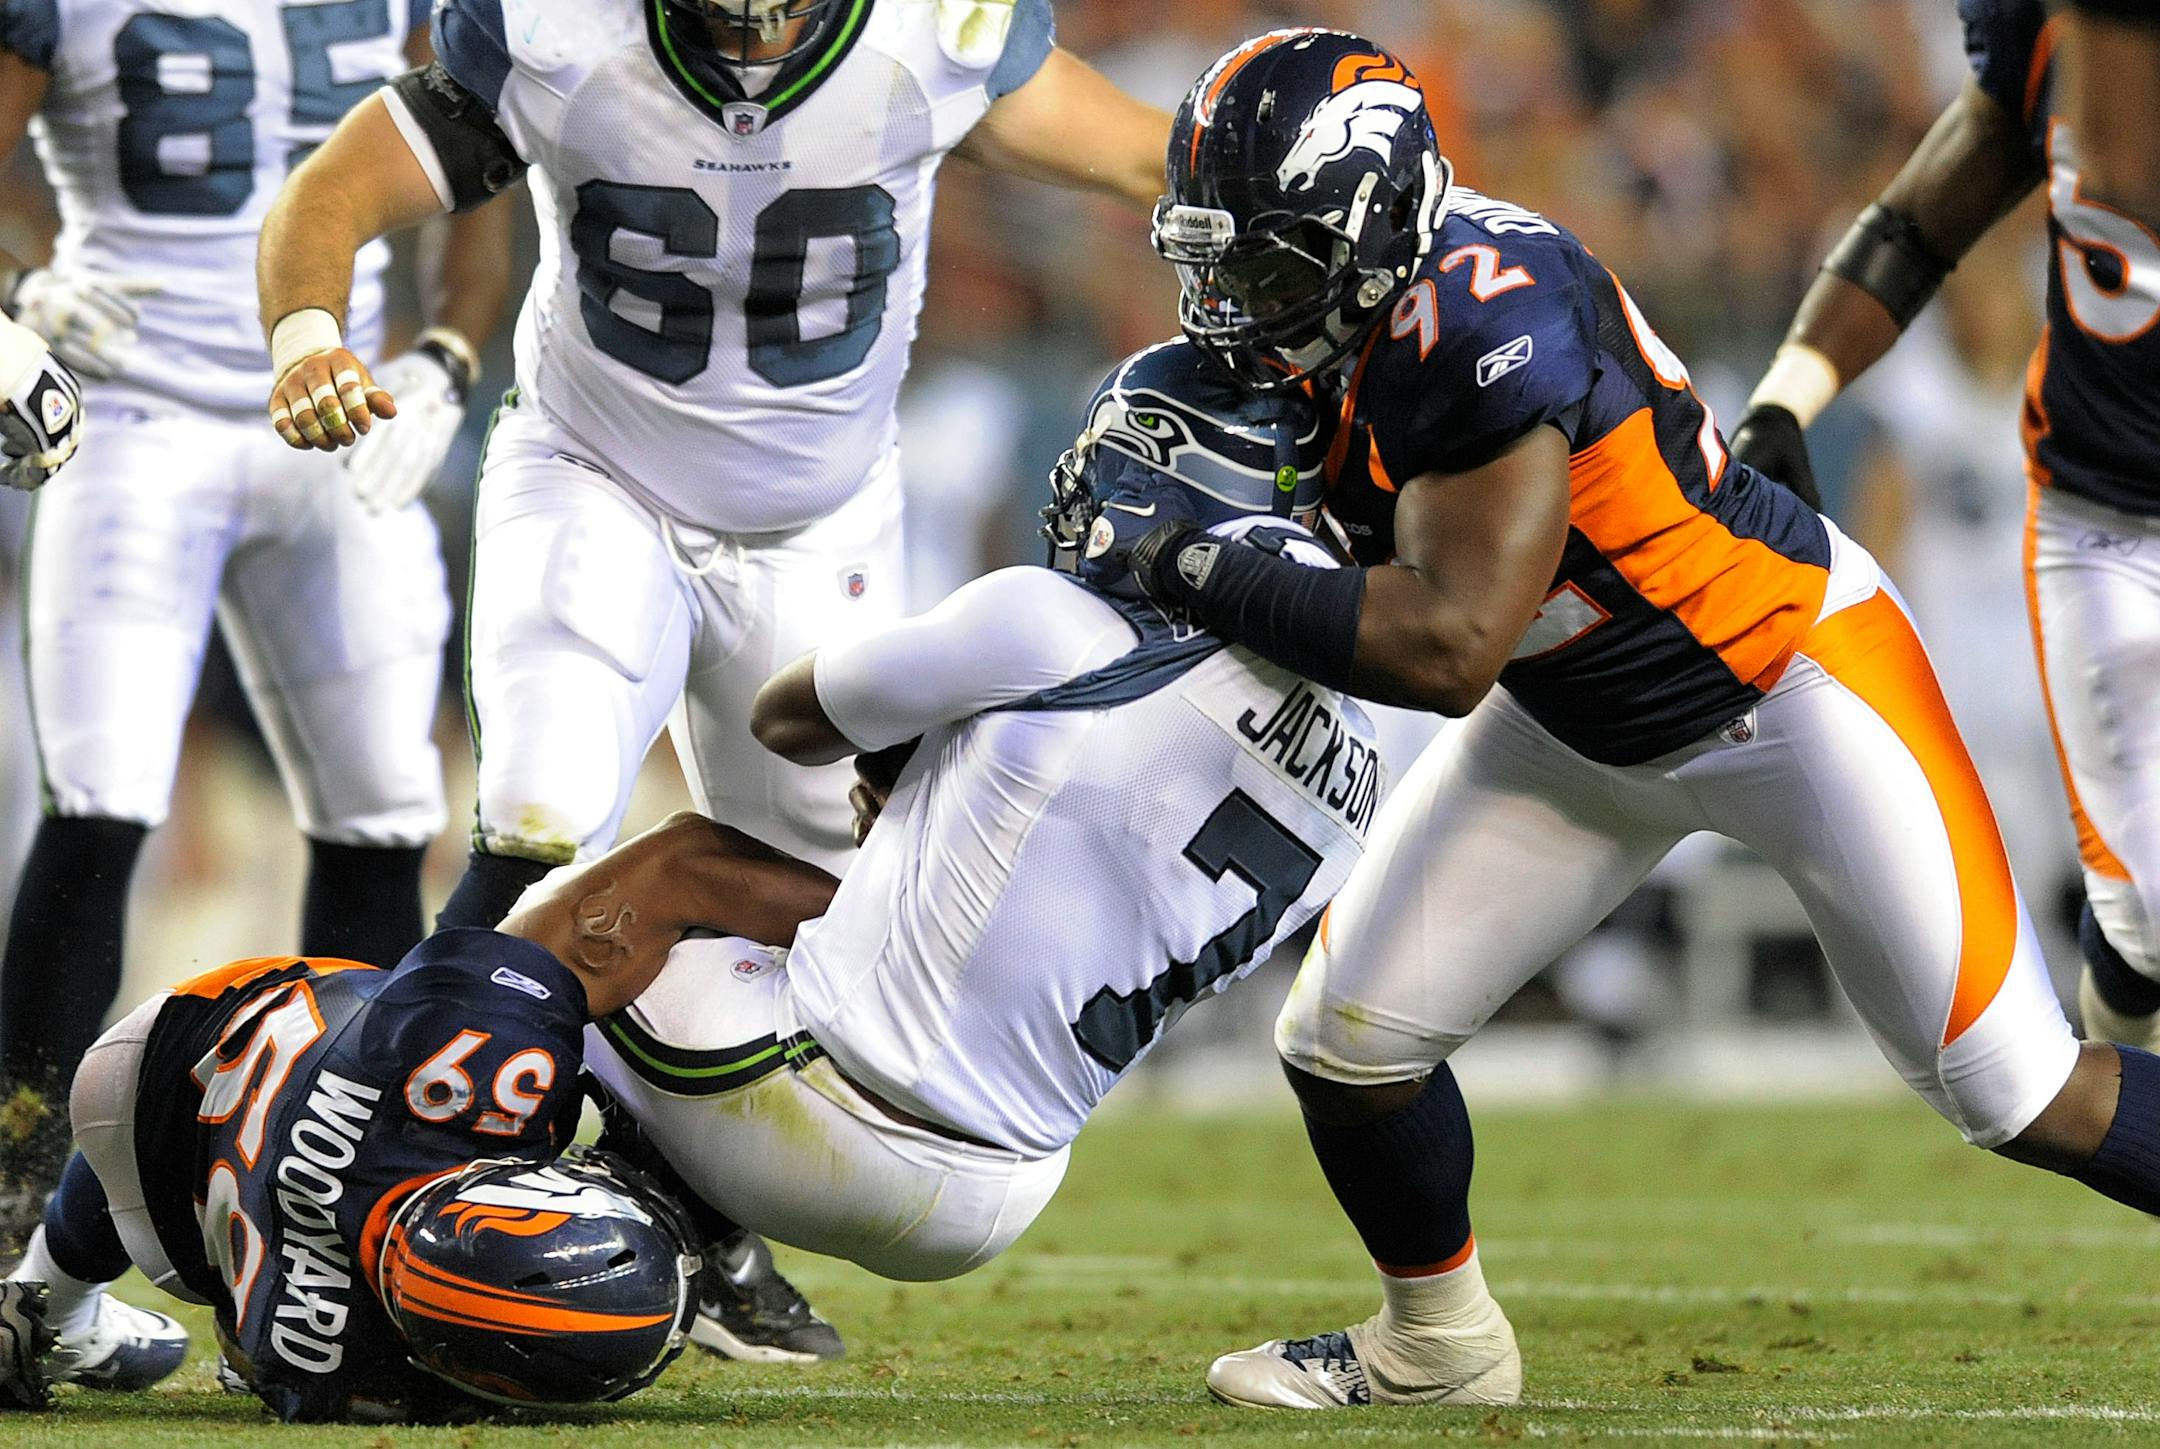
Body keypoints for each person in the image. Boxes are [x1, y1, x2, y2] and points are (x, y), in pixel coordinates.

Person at [1104, 28, 2160, 1411]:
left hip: (1785, 684)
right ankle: (1439, 1346)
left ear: (1363, 227)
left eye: (1269, 256)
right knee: (1348, 1042)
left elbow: (1449, 643)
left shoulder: (1492, 311)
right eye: (1223, 254)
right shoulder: (1350, 313)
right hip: (1581, 723)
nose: (1236, 297)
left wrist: (1189, 555)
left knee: (2021, 1088)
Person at [252, 0, 1172, 933]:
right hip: (598, 477)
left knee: (829, 910)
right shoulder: (558, 33)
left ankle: (627, 1068)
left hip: (822, 525)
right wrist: (306, 337)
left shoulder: (930, 34)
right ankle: (408, 1065)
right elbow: (332, 191)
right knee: (545, 813)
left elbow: (1159, 160)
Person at [583, 340, 1378, 1281]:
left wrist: (910, 759)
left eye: (1125, 465)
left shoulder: (1055, 622)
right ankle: (665, 1226)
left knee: (668, 873)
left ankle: (409, 1141)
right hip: (1006, 1194)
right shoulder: (1362, 769)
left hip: (836, 1111)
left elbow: (785, 719)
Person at [0, 0, 512, 1239]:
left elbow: (487, 155)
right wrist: (23, 291)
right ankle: (15, 1198)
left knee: (382, 806)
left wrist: (448, 352)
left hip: (334, 416)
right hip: (130, 415)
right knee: (103, 796)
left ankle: (353, 1189)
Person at [0, 809, 837, 1419]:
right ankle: (49, 1301)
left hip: (167, 1058)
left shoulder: (474, 1054)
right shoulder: (326, 1369)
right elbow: (250, 1344)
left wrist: (873, 923)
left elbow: (680, 861)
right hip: (195, 1191)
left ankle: (46, 1297)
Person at [1731, 0, 2160, 1051]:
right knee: (2149, 925)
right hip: (2106, 520)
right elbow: (1920, 222)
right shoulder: (2041, 35)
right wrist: (1789, 393)